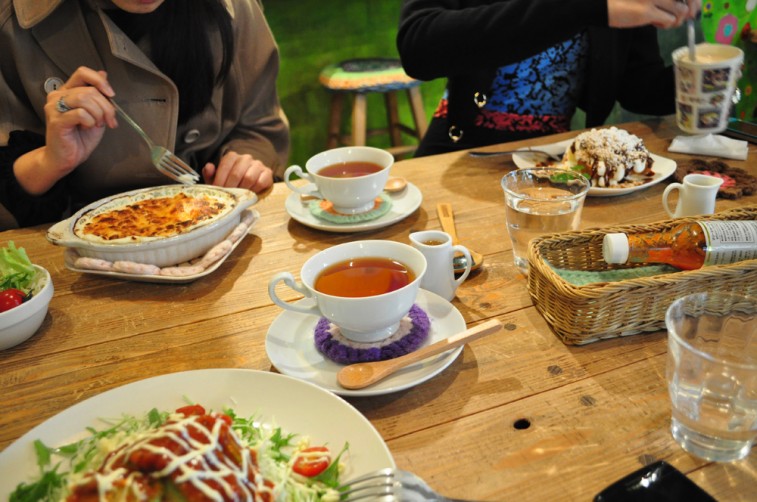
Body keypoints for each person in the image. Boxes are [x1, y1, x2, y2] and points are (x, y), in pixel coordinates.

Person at [0, 0, 289, 230]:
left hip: (217, 229)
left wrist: (244, 166)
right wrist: (51, 160)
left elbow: (258, 125)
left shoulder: (234, 7)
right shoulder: (10, 22)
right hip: (79, 255)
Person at [397, 0, 702, 157]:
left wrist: (701, 80)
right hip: (463, 152)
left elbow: (638, 87)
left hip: (553, 162)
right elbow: (418, 47)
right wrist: (591, 7)